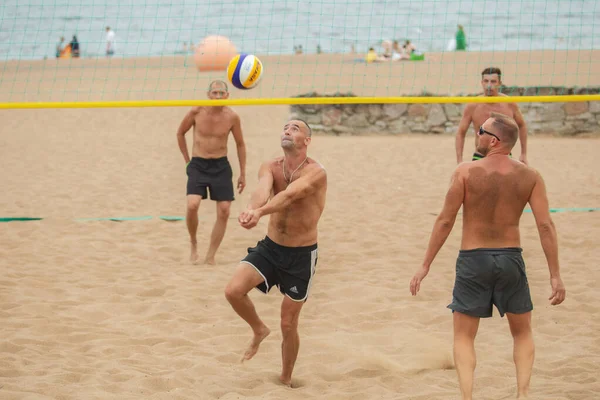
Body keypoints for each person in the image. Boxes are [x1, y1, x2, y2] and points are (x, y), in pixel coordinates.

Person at [410, 113, 566, 400]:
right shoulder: (530, 175)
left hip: (473, 259)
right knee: (522, 332)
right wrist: (555, 275)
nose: (477, 135)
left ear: (493, 140)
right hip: (510, 258)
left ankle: (467, 397)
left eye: (480, 131)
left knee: (464, 336)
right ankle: (522, 394)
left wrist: (425, 265)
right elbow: (545, 225)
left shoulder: (465, 172)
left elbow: (445, 220)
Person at [224, 119, 327, 387]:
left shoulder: (316, 172)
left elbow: (291, 195)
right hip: (271, 247)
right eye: (285, 127)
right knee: (233, 291)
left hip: (301, 255)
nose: (287, 130)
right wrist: (250, 208)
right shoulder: (270, 166)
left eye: (295, 128)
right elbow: (263, 190)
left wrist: (259, 212)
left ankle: (285, 378)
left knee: (288, 323)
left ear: (307, 140)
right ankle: (259, 328)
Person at [176, 80, 247, 264]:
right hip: (198, 164)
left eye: (221, 93)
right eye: (214, 93)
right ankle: (193, 243)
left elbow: (240, 144)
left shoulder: (232, 116)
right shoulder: (196, 111)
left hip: (221, 166)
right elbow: (180, 133)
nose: (217, 96)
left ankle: (210, 256)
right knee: (192, 204)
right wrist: (187, 162)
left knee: (224, 210)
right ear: (208, 95)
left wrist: (243, 173)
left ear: (227, 96)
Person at [455, 67, 529, 165]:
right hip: (480, 155)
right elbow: (461, 132)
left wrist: (523, 154)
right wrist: (459, 160)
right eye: (486, 81)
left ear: (499, 83)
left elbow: (522, 125)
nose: (489, 85)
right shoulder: (473, 105)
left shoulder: (508, 103)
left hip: (504, 155)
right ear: (482, 82)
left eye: (493, 81)